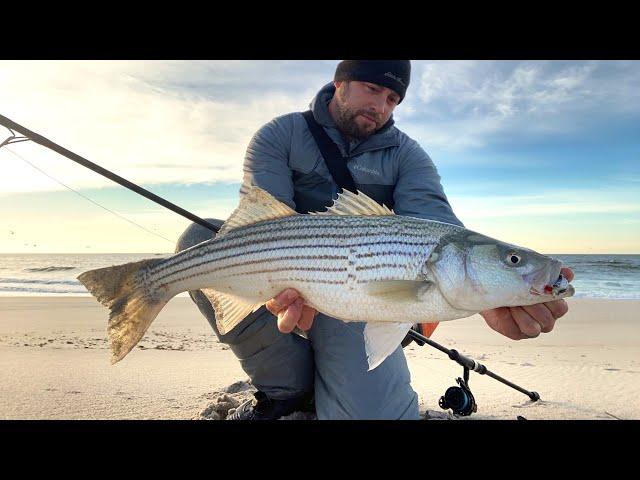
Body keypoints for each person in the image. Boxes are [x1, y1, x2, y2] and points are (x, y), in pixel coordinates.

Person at [175, 60, 574, 420]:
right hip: (287, 280)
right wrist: (289, 279)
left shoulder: (408, 155)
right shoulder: (280, 134)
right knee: (201, 240)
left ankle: (337, 377)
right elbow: (260, 217)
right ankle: (288, 389)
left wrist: (490, 300)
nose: (382, 106)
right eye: (372, 89)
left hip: (365, 297)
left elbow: (437, 224)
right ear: (340, 82)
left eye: (393, 98)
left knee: (371, 414)